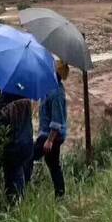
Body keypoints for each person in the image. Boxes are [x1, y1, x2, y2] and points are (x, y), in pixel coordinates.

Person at [29, 59, 69, 198]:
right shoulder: (51, 88)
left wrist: (50, 140)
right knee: (53, 164)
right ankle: (60, 196)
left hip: (50, 136)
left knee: (29, 157)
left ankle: (23, 193)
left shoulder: (56, 92)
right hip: (48, 134)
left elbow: (57, 120)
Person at [0, 83, 34, 201]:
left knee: (12, 182)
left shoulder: (2, 101)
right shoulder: (24, 96)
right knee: (21, 176)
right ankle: (21, 206)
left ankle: (15, 210)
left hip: (12, 148)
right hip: (26, 146)